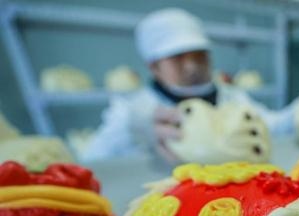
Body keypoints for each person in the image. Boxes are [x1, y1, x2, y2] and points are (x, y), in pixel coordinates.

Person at [81, 8, 272, 163]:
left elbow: (273, 125)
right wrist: (133, 132)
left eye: (199, 55)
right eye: (177, 58)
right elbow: (91, 160)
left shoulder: (233, 98)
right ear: (154, 66)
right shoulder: (131, 111)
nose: (192, 67)